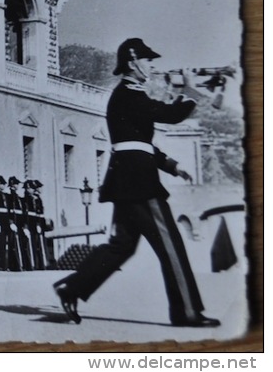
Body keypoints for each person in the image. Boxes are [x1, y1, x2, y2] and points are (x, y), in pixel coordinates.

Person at [53, 38, 219, 328]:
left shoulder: (128, 95)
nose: (152, 66)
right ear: (133, 62)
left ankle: (72, 288)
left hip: (126, 179)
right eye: (148, 61)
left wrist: (171, 165)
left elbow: (138, 144)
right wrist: (191, 92)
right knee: (171, 245)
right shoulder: (130, 94)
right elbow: (170, 115)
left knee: (121, 246)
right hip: (140, 183)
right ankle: (187, 312)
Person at [5, 175, 28, 271]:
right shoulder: (9, 196)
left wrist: (24, 226)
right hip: (13, 223)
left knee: (20, 244)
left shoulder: (17, 197)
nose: (17, 185)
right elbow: (9, 210)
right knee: (13, 244)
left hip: (18, 223)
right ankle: (13, 265)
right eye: (16, 184)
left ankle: (21, 264)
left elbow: (21, 212)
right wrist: (10, 222)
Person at [24, 180, 47, 271]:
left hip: (37, 224)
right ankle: (33, 264)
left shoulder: (37, 198)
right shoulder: (27, 199)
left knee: (39, 245)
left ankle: (41, 263)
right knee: (32, 245)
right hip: (31, 224)